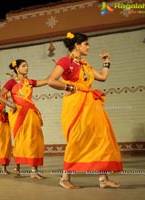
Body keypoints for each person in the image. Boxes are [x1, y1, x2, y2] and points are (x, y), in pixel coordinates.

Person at [47, 32, 123, 188]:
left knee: (100, 137)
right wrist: (71, 87)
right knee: (78, 138)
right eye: (86, 44)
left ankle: (103, 179)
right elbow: (51, 81)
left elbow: (102, 77)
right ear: (77, 45)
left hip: (92, 105)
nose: (88, 47)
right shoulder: (65, 61)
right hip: (76, 105)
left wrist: (107, 61)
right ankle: (64, 178)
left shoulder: (84, 64)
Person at [0, 59, 48, 179]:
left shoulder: (29, 82)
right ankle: (17, 169)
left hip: (31, 113)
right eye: (24, 66)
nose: (27, 68)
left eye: (27, 66)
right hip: (18, 114)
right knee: (20, 140)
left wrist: (58, 68)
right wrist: (12, 105)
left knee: (34, 140)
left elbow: (46, 81)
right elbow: (0, 97)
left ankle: (33, 171)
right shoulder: (11, 82)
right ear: (17, 68)